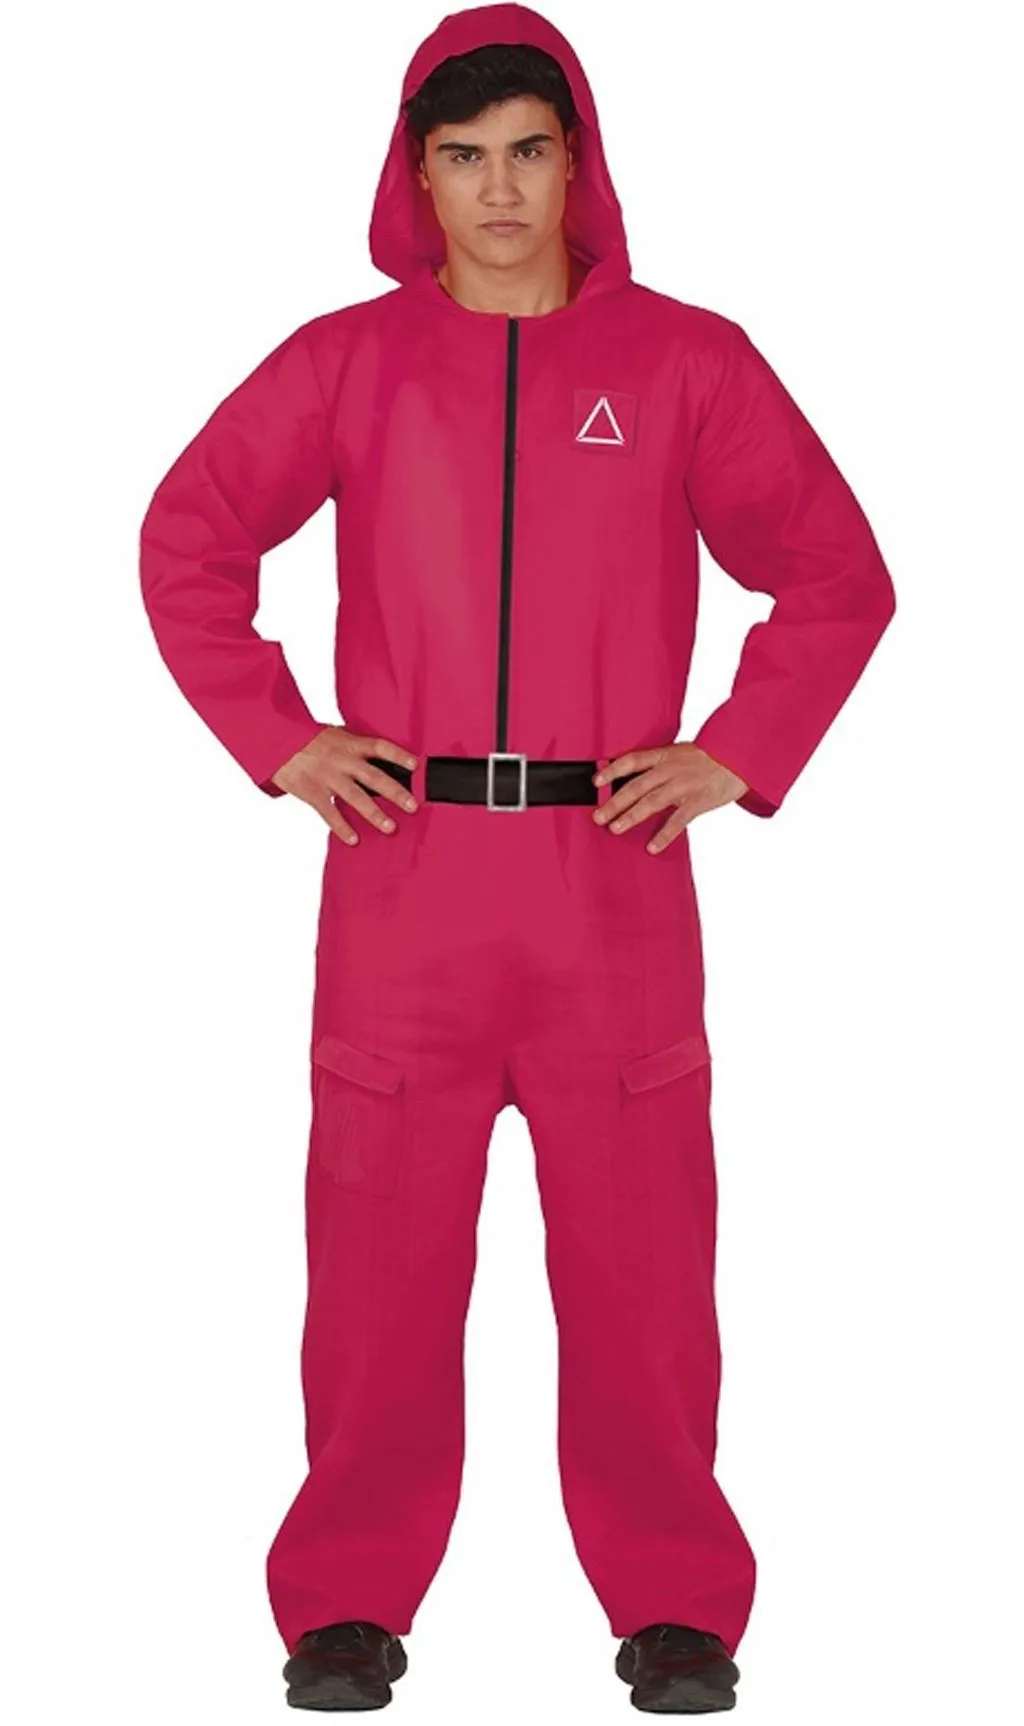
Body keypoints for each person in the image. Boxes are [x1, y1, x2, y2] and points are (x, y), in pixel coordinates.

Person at [138, 2, 896, 1713]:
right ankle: (345, 1600)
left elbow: (837, 572)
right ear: (416, 176)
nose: (499, 191)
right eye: (464, 157)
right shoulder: (345, 364)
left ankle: (677, 1602)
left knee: (642, 1265)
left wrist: (738, 748)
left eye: (530, 154)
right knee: (376, 1262)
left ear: (579, 165)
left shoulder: (688, 363)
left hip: (610, 877)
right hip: (401, 873)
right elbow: (188, 537)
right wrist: (281, 735)